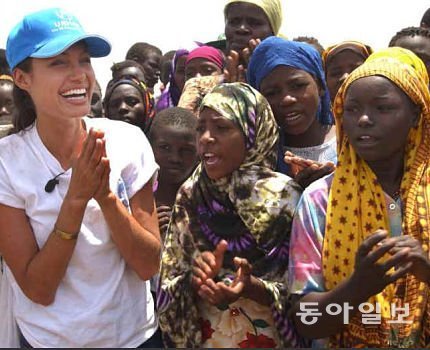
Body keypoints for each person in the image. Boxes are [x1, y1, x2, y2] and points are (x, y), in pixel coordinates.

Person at [0, 8, 162, 347]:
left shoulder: (127, 142)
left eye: (84, 60)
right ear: (22, 78)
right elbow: (38, 289)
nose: (79, 75)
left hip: (133, 338)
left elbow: (148, 265)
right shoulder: (7, 163)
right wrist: (76, 199)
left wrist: (106, 197)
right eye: (58, 63)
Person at [288, 50, 430, 347]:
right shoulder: (320, 200)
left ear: (416, 113)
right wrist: (358, 287)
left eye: (382, 107)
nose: (364, 120)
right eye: (351, 110)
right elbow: (307, 320)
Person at [158, 82, 306, 348]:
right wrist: (195, 280)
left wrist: (254, 288)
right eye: (200, 128)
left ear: (252, 133)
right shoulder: (191, 195)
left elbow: (308, 294)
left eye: (222, 127)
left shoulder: (286, 196)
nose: (205, 138)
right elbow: (167, 285)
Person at [247, 36, 336, 187]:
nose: (287, 99)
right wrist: (293, 193)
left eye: (298, 85)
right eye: (271, 93)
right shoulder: (258, 158)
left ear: (320, 85)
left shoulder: (351, 143)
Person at [148, 106, 199, 237]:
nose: (175, 158)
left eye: (186, 150)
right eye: (165, 147)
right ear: (149, 148)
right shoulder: (136, 200)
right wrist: (146, 230)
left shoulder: (206, 203)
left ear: (199, 153)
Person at [155, 42, 201, 112]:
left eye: (191, 71)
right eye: (181, 71)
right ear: (173, 73)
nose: (186, 77)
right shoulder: (163, 106)